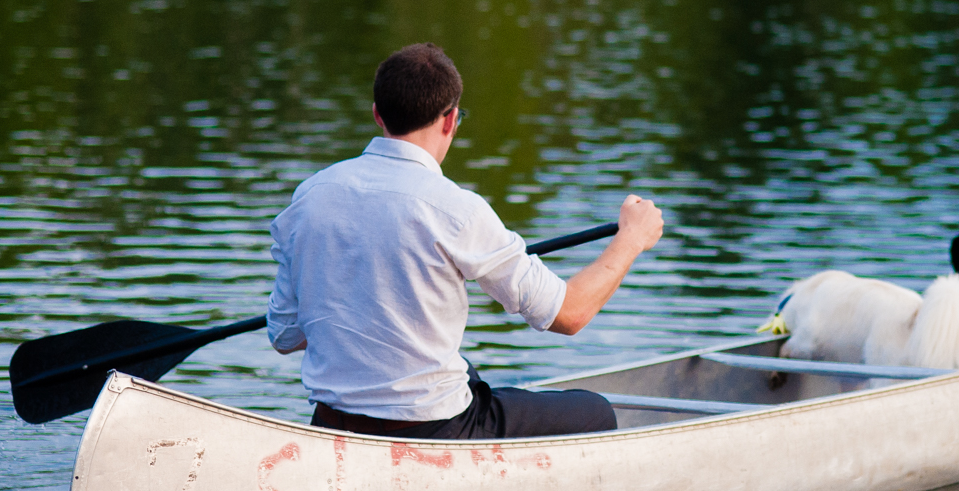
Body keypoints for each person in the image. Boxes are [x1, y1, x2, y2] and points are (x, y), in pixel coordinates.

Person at [266, 42, 663, 439]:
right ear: (450, 119)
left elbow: (285, 336)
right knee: (595, 412)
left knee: (466, 370)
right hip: (435, 429)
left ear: (377, 115)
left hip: (330, 422)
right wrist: (631, 238)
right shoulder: (457, 210)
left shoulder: (309, 197)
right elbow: (569, 315)